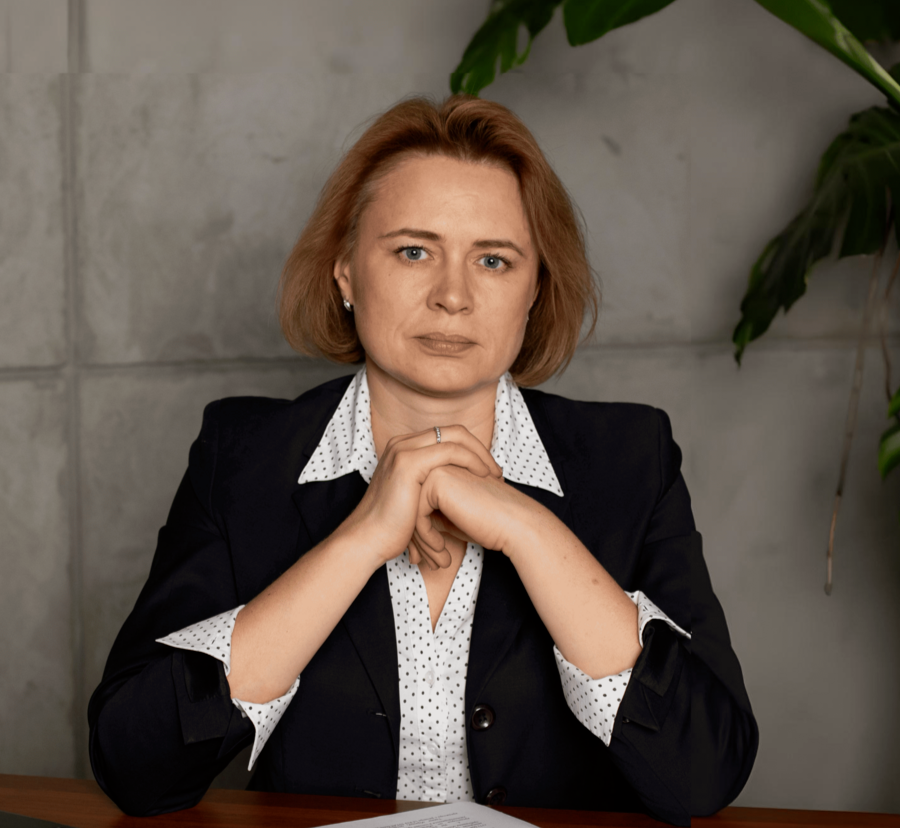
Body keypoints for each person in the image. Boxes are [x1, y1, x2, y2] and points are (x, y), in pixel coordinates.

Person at [87, 94, 758, 825]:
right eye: (414, 251)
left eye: (494, 261)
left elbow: (704, 774)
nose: (452, 297)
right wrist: (359, 539)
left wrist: (527, 530)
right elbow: (136, 768)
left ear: (535, 289)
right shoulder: (243, 457)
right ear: (345, 271)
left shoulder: (630, 460)